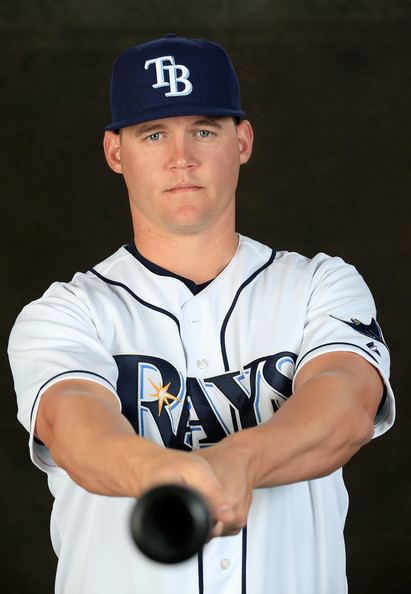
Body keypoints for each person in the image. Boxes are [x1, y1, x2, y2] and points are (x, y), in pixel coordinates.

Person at [8, 34, 395, 594]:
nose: (181, 157)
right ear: (117, 152)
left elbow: (347, 403)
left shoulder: (320, 284)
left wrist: (242, 459)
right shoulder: (65, 313)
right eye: (154, 133)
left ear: (243, 141)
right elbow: (74, 428)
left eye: (204, 131)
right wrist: (161, 474)